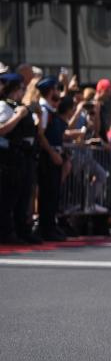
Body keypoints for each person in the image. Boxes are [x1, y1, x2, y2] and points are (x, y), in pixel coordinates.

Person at [0, 73, 39, 243]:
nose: (23, 91)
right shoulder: (4, 105)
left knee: (23, 195)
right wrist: (18, 116)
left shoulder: (19, 105)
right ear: (14, 89)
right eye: (21, 88)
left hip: (24, 156)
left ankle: (22, 230)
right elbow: (2, 129)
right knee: (9, 198)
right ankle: (8, 233)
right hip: (10, 157)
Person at [35, 76, 67, 241]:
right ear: (49, 91)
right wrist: (52, 153)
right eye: (55, 89)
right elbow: (41, 135)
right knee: (47, 193)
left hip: (54, 155)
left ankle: (50, 226)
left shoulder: (50, 109)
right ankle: (46, 227)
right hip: (48, 158)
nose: (58, 92)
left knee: (53, 193)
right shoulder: (43, 110)